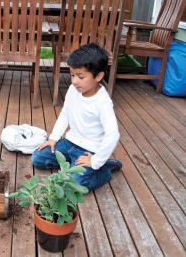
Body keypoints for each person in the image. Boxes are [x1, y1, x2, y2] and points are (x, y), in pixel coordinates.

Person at [31, 43, 122, 191]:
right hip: (69, 142)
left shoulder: (103, 102)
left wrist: (95, 160)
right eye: (72, 75)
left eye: (80, 76)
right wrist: (53, 138)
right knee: (38, 158)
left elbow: (113, 135)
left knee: (74, 183)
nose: (74, 81)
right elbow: (65, 113)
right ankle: (74, 163)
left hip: (89, 151)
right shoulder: (74, 89)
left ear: (98, 76)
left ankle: (104, 169)